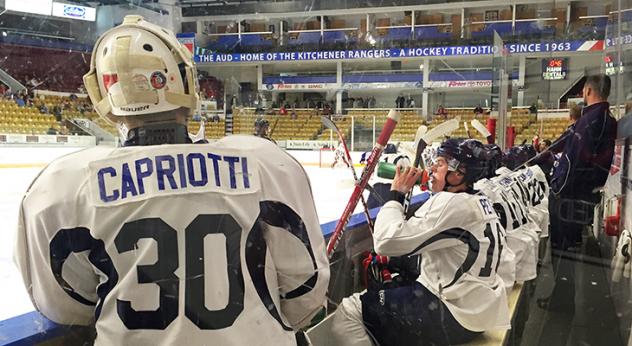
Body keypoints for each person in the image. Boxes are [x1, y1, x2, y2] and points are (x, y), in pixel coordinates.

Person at [14, 15, 328, 346]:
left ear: (103, 95)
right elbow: (304, 293)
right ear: (185, 80)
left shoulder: (63, 185)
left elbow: (64, 305)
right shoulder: (266, 164)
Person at [331, 138, 510, 346]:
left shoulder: (450, 202)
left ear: (459, 173)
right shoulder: (480, 200)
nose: (432, 168)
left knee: (350, 310)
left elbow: (386, 241)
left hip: (454, 315)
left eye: (440, 163)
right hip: (479, 311)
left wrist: (396, 195)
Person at [540, 74, 617, 313]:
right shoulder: (609, 119)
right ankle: (563, 299)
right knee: (569, 251)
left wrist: (558, 189)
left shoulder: (589, 121)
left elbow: (574, 162)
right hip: (584, 195)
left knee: (562, 251)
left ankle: (562, 302)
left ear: (587, 91)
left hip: (569, 198)